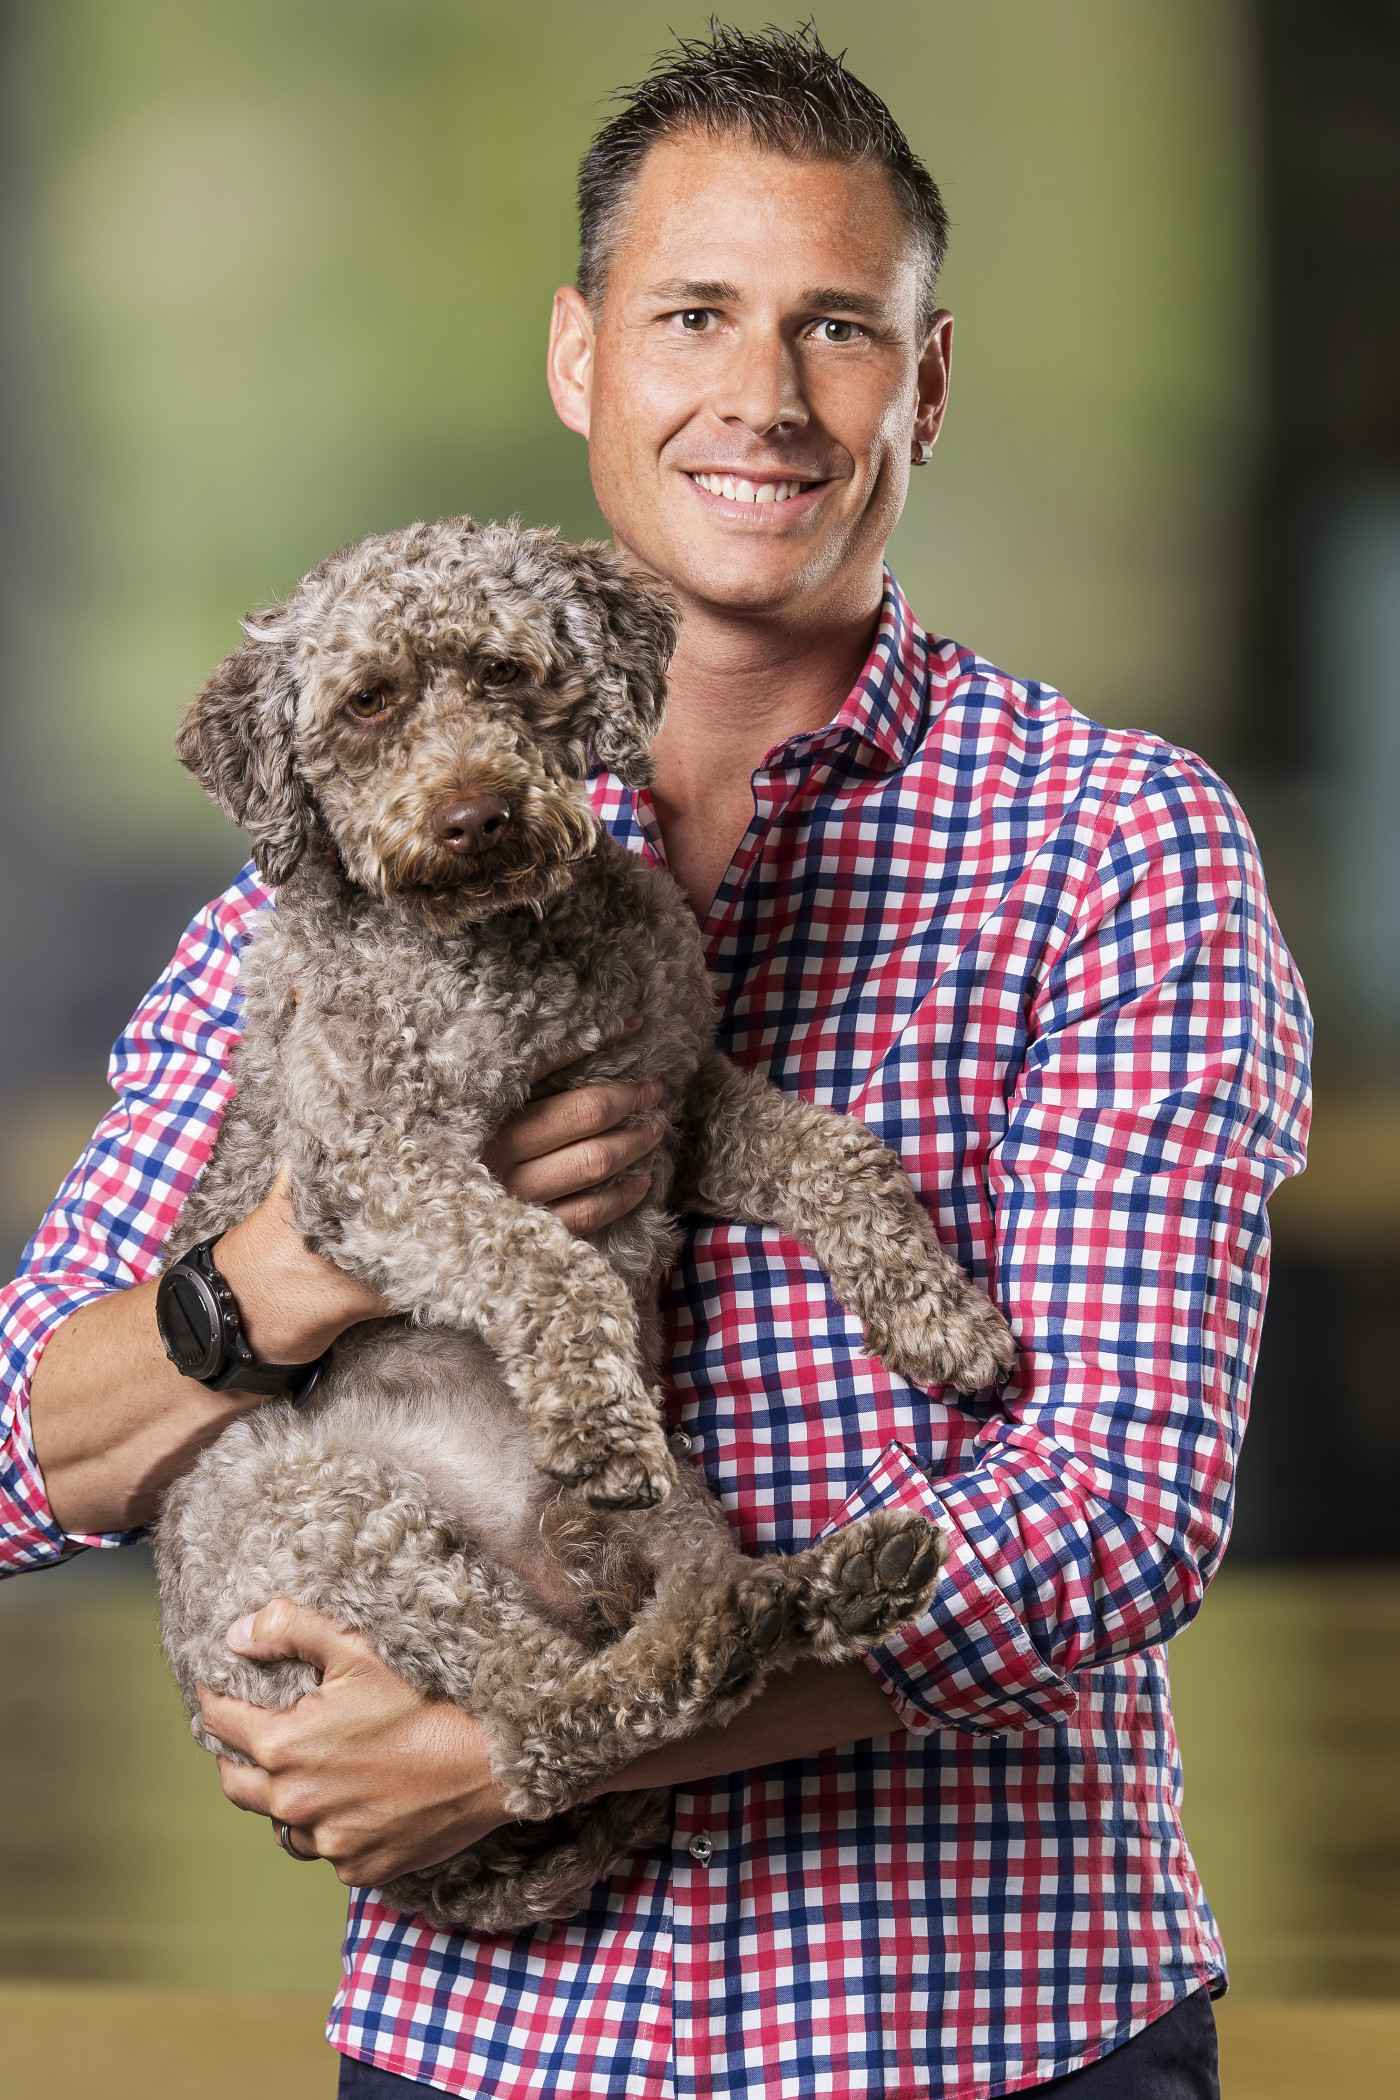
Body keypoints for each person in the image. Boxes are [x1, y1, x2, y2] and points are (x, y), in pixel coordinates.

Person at [0, 24, 1309, 2100]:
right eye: (693, 314)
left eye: (836, 330)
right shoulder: (323, 885)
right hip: (488, 2044)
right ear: (578, 357)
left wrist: (519, 1749)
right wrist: (303, 1268)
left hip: (986, 2030)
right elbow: (22, 1453)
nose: (761, 397)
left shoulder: (1115, 844)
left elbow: (1121, 1511)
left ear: (927, 385)